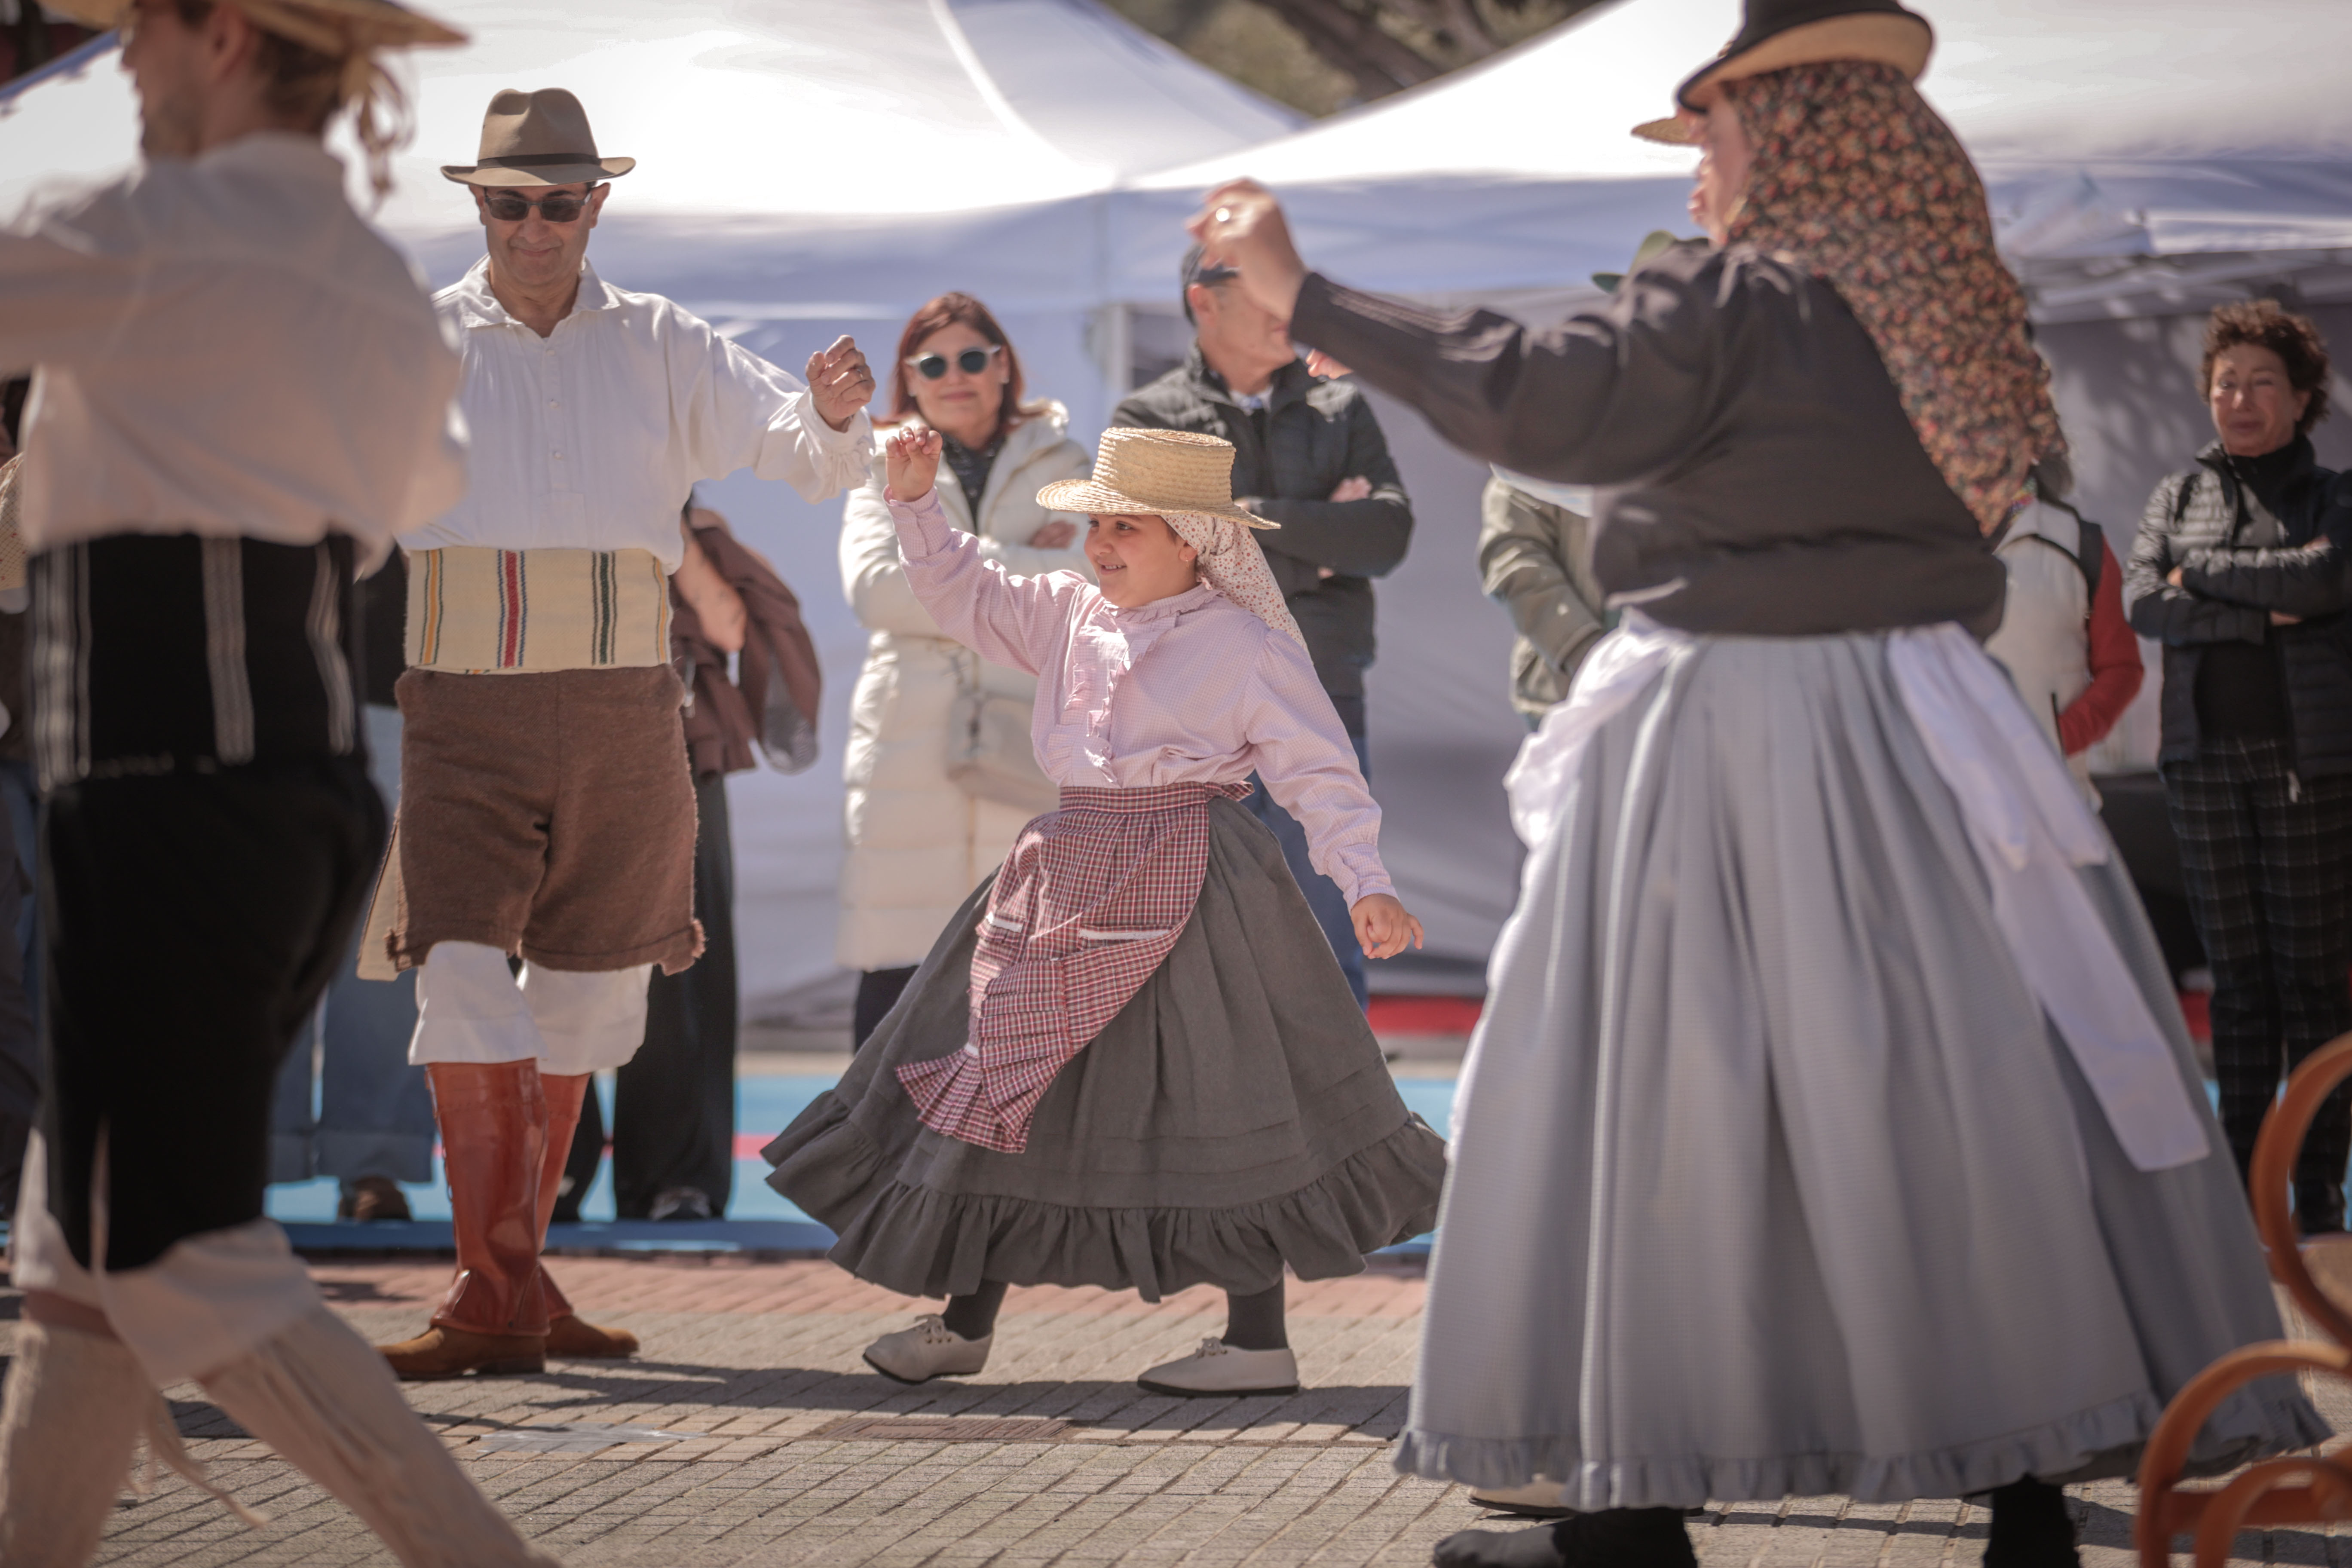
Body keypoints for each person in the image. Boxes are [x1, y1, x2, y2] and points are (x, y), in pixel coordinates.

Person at [1188, 1, 2322, 1564]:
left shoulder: (1747, 302)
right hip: (1929, 715)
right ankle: (2025, 1490)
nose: (1696, 174)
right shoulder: (1947, 307)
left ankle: (1639, 1499)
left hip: (1738, 718)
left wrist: (1302, 283)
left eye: (1709, 136)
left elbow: (1537, 388)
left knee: (1665, 1093)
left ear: (1784, 133)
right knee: (1977, 1082)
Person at [0, 0, 563, 1562]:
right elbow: (409, 491)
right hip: (286, 798)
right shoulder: (377, 278)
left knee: (174, 1256)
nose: (116, 56)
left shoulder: (141, 225)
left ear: (225, 33)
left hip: (167, 792)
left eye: (140, 28)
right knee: (78, 1260)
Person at [766, 426, 1447, 1396]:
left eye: (1128, 526)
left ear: (1195, 541)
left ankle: (1259, 1341)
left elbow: (1319, 769)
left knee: (1224, 1092)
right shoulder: (1067, 612)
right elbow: (962, 595)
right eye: (1096, 524)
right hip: (1065, 869)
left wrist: (1365, 881)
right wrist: (915, 503)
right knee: (1006, 1071)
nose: (1102, 544)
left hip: (1197, 880)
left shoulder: (1248, 644)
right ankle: (966, 1323)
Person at [371, 86, 875, 1379]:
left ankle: (512, 1290)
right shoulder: (410, 342)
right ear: (474, 204)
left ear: (598, 202)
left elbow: (804, 455)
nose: (532, 224)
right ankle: (501, 1288)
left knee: (593, 998)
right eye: (507, 200)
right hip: (462, 702)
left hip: (622, 706)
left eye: (557, 199)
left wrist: (825, 412)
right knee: (464, 976)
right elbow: (322, 490)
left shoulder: (661, 339)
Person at [1115, 248, 1413, 1008]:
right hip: (1194, 717)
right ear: (1204, 302)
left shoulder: (1339, 405)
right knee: (1191, 945)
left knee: (1332, 928)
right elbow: (1147, 569)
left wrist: (1234, 520)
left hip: (1325, 691)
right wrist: (1318, 543)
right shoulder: (1145, 418)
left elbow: (1384, 536)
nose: (1290, 305)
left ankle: (1341, 1124)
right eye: (1263, 292)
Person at [2125, 298, 2352, 1232]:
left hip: (2310, 759)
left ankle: (2318, 1191)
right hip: (2202, 762)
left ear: (2302, 398)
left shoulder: (2335, 493)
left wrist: (2201, 576)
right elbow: (2145, 600)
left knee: (2312, 977)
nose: (2242, 399)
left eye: (2264, 383)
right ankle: (2243, 1189)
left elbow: (2324, 579)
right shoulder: (2174, 496)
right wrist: (2259, 612)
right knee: (2239, 980)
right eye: (2227, 384)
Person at [557, 499, 824, 1222]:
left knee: (684, 972)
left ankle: (676, 1179)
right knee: (549, 960)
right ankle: (552, 1169)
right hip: (559, 737)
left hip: (677, 745)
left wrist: (670, 521)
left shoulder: (686, 521)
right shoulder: (532, 491)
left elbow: (728, 628)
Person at [836, 293, 1091, 1047]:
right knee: (898, 973)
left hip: (1029, 737)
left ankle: (1004, 1162)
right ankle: (875, 1160)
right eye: (934, 362)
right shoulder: (875, 463)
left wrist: (941, 563)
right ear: (909, 380)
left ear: (1002, 365)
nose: (957, 376)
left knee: (1024, 974)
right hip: (908, 746)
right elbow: (875, 590)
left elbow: (1086, 582)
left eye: (973, 358)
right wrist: (1025, 565)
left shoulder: (1068, 461)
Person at [270, 551, 435, 1221]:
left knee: (386, 946)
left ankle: (375, 1157)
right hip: (270, 685)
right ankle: (247, 1154)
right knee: (264, 940)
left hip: (401, 686)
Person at [1987, 474, 2143, 799]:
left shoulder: (2077, 540)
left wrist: (2059, 737)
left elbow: (2121, 668)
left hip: (2053, 795)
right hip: (1952, 792)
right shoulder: (1929, 539)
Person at [1477, 476, 1608, 727]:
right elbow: (1511, 557)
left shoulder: (1687, 443)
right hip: (1567, 690)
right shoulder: (1536, 450)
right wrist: (1581, 648)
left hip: (1677, 677)